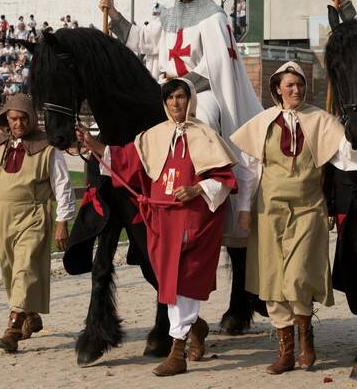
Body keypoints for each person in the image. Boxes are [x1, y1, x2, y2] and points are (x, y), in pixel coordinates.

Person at [101, 0, 263, 329]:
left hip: (200, 92)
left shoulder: (213, 16)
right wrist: (114, 15)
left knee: (201, 118)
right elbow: (141, 39)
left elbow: (217, 64)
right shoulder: (170, 15)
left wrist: (182, 86)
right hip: (167, 90)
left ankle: (205, 180)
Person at [75, 79, 238, 377]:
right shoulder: (153, 136)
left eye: (180, 97)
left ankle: (177, 352)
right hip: (162, 223)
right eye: (170, 98)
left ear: (190, 100)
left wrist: (197, 189)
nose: (176, 103)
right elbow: (125, 160)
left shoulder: (206, 136)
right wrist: (92, 143)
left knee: (183, 281)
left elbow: (224, 180)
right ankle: (195, 327)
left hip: (194, 222)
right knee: (168, 284)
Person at [231, 62, 357, 374]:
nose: (296, 90)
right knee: (272, 279)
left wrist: (356, 134)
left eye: (300, 84)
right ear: (277, 90)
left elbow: (346, 157)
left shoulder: (321, 120)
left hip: (309, 208)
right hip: (269, 210)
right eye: (290, 85)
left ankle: (306, 337)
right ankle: (286, 350)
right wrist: (244, 209)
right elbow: (249, 171)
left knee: (298, 276)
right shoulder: (262, 123)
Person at [0, 93, 75, 352]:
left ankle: (14, 327)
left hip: (34, 215)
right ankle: (29, 314)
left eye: (23, 118)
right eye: (13, 118)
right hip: (2, 217)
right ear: (6, 119)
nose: (18, 123)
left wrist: (63, 220)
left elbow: (63, 186)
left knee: (26, 267)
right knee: (10, 271)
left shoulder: (48, 148)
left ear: (31, 119)